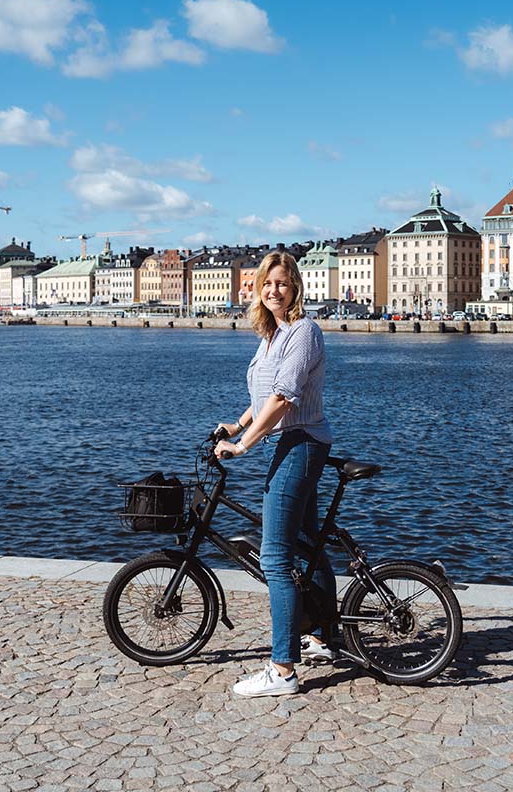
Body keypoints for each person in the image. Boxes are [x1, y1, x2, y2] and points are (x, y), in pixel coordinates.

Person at [214, 250, 336, 698]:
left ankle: (283, 669)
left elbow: (284, 399)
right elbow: (264, 395)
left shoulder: (303, 331)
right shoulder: (272, 334)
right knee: (308, 546)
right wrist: (239, 423)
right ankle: (325, 637)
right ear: (257, 287)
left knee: (275, 558)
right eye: (267, 283)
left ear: (296, 287)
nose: (274, 290)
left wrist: (244, 446)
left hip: (301, 443)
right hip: (293, 443)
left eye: (282, 283)